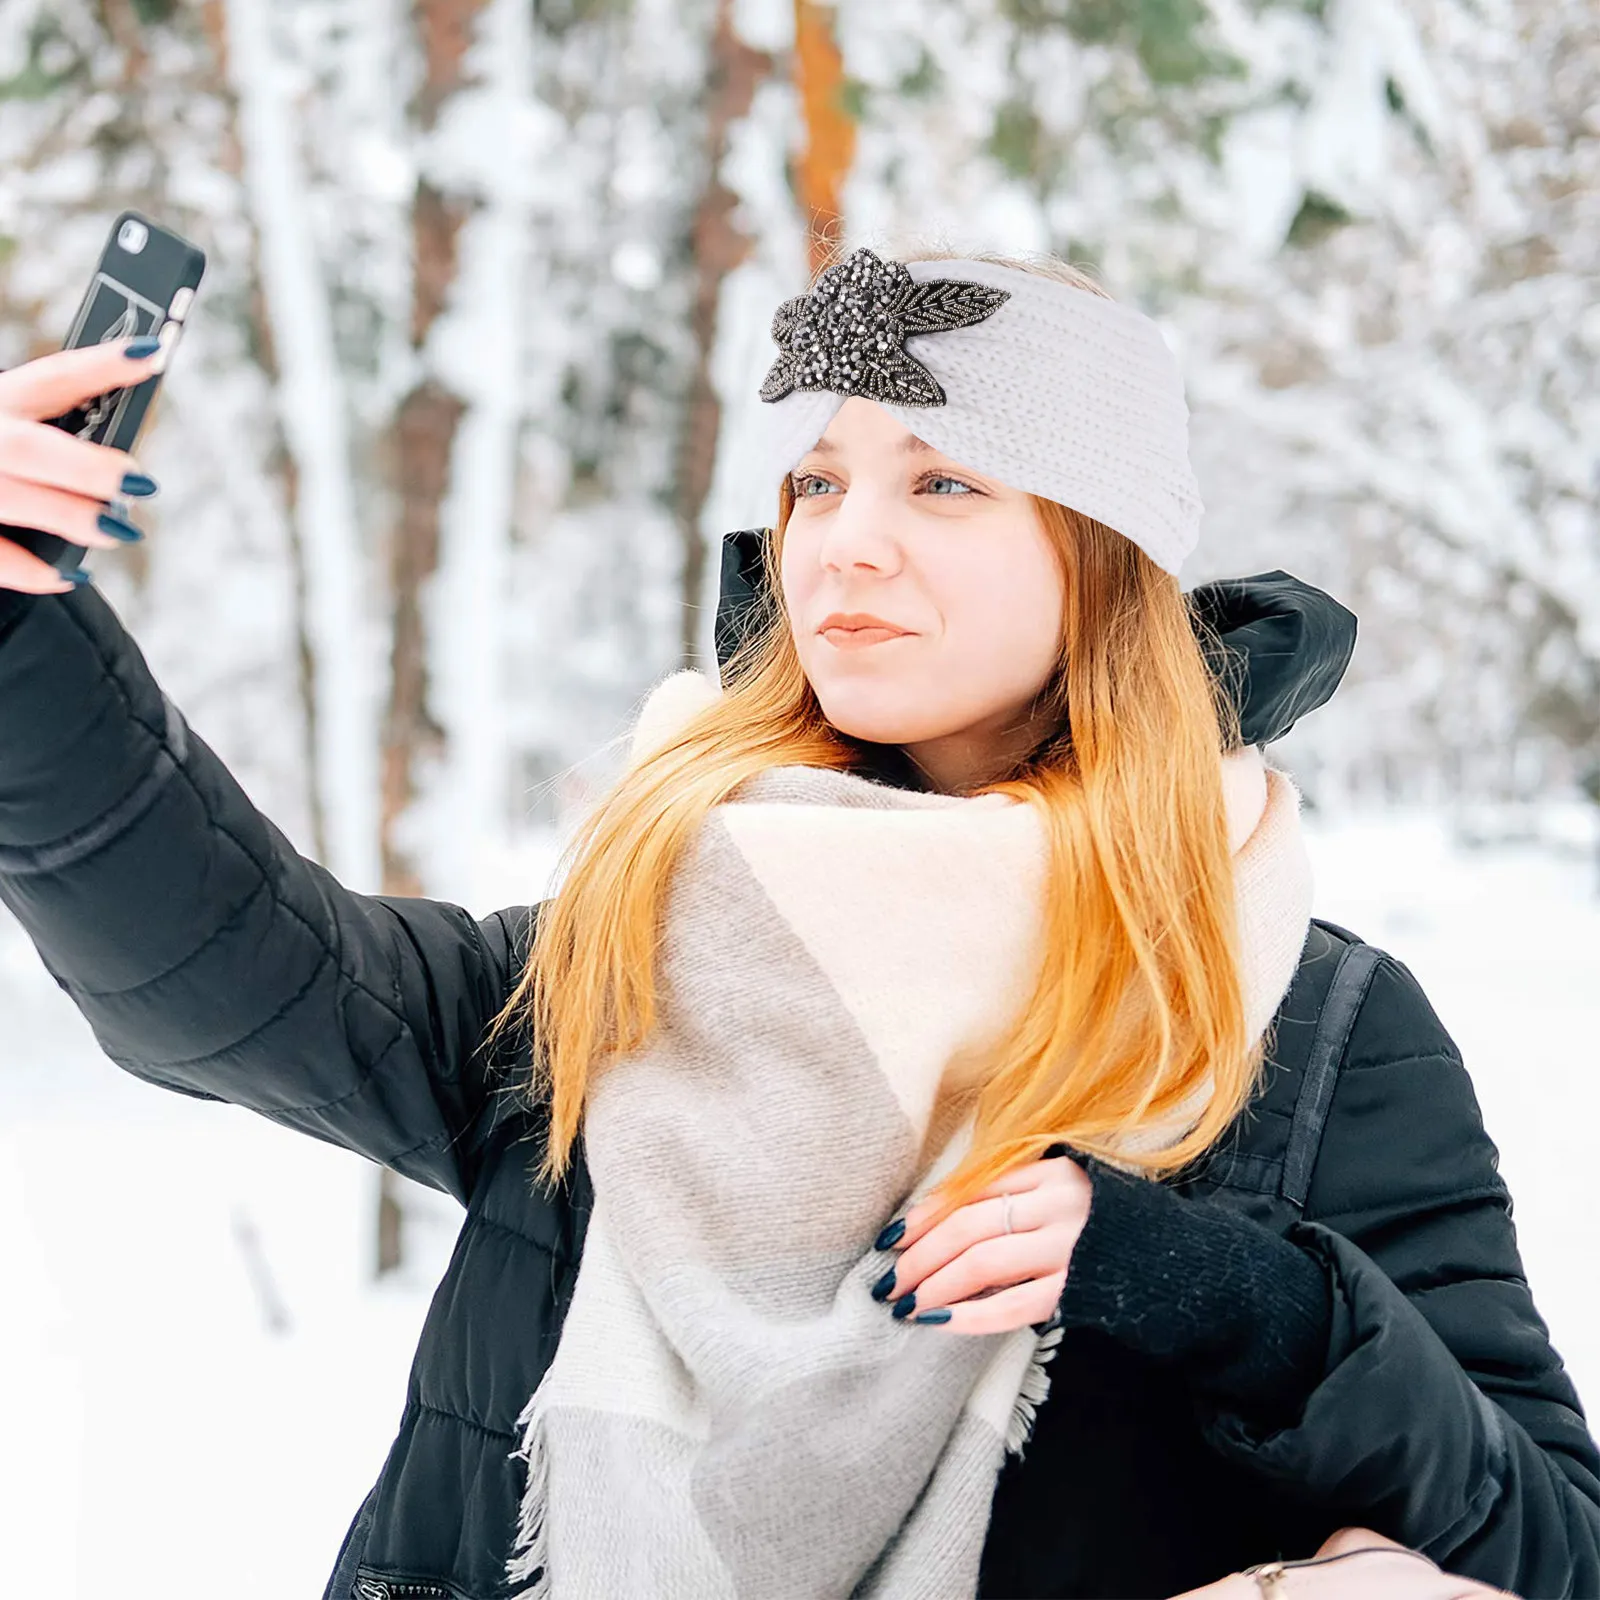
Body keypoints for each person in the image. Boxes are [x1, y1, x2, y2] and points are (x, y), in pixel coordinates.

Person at [0, 246, 1594, 1600]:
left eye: (943, 482)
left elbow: (1548, 1544)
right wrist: (21, 639)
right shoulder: (652, 919)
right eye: (817, 479)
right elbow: (238, 982)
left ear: (1104, 567)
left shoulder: (1306, 1029)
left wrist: (1233, 1294)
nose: (847, 540)